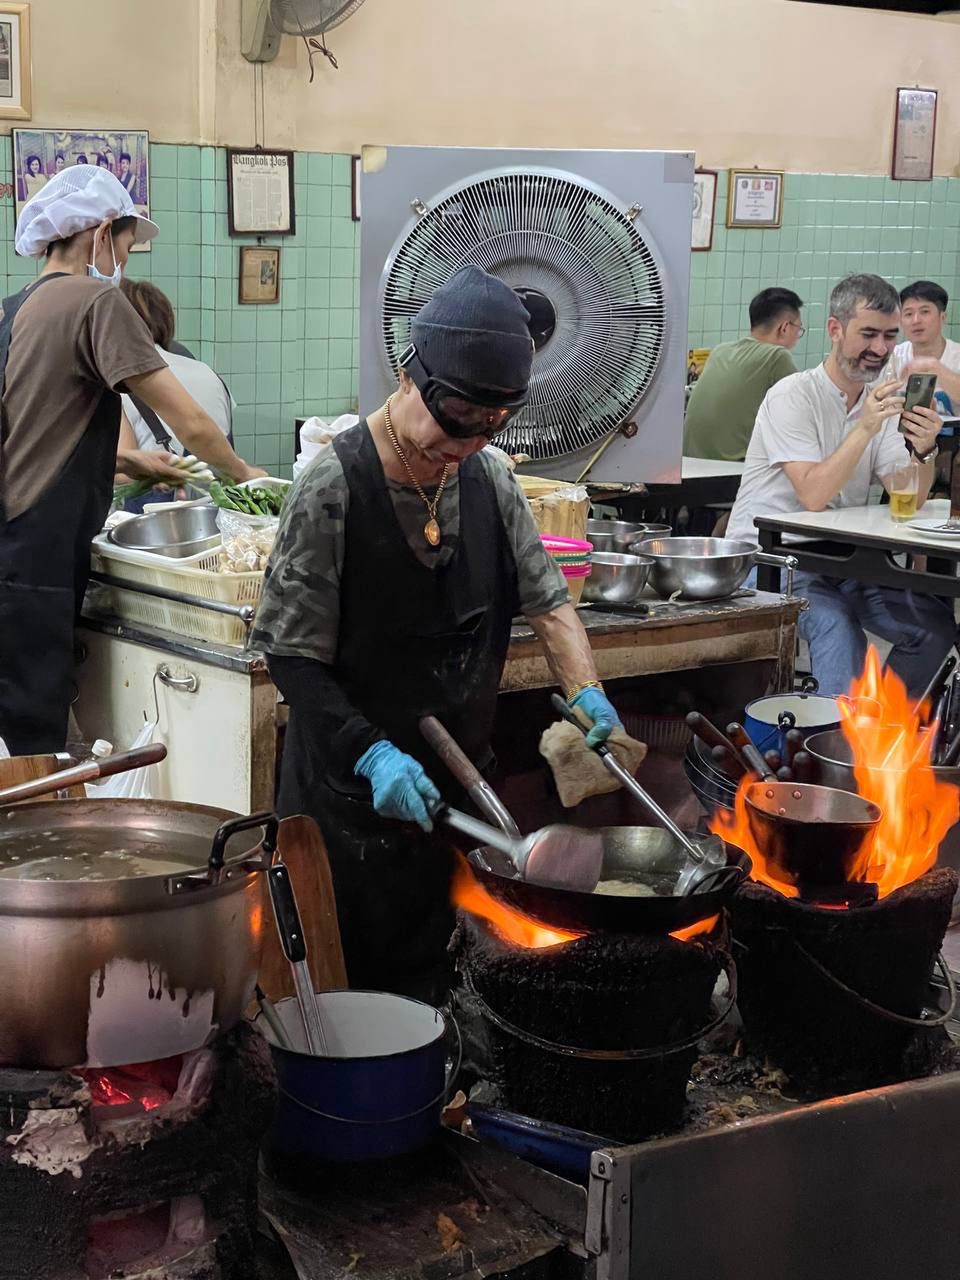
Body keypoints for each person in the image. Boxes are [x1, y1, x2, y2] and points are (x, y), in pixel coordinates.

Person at [252, 265, 623, 1002]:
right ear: (407, 375)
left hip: (459, 791)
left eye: (494, 423)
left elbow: (550, 604)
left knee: (443, 984)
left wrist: (586, 692)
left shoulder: (491, 480)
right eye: (455, 418)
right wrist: (373, 754)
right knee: (349, 1000)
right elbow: (292, 657)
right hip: (348, 804)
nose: (468, 441)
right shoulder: (334, 486)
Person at [0, 164, 264, 756]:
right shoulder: (96, 301)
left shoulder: (15, 308)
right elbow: (189, 419)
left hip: (10, 556)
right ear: (98, 233)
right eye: (125, 243)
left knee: (14, 734)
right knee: (34, 747)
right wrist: (246, 476)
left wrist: (131, 466)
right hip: (37, 562)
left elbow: (36, 437)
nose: (125, 259)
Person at [726, 273, 953, 698]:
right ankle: (831, 750)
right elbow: (813, 495)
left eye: (889, 336)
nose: (880, 349)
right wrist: (865, 427)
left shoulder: (879, 403)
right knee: (837, 627)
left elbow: (909, 494)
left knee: (932, 627)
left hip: (845, 558)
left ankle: (877, 739)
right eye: (868, 334)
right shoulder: (792, 395)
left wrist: (924, 451)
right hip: (772, 558)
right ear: (835, 329)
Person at [683, 287, 804, 462]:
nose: (797, 336)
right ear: (785, 328)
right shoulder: (777, 356)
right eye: (799, 329)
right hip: (727, 476)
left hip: (689, 466)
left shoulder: (720, 351)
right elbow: (803, 412)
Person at [118, 278, 233, 456]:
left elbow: (122, 475)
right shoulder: (207, 372)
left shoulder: (120, 380)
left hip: (157, 480)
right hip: (216, 479)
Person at [886, 280, 960, 415]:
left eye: (925, 312)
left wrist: (934, 368)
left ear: (942, 317)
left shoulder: (957, 356)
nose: (916, 320)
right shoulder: (894, 356)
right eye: (908, 314)